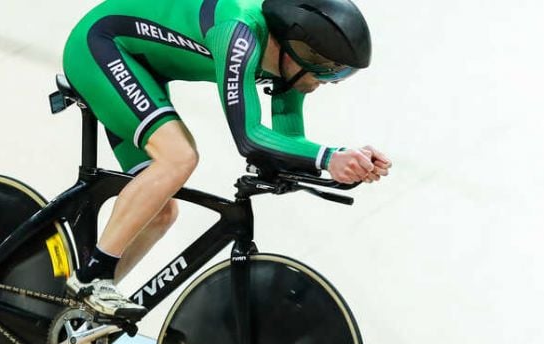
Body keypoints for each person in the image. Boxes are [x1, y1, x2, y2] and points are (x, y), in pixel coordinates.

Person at [62, 0, 392, 318]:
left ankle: (76, 307)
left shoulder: (290, 67)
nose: (327, 82)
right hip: (100, 45)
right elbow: (248, 137)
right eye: (328, 70)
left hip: (142, 65)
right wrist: (328, 157)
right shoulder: (238, 33)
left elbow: (288, 145)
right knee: (179, 157)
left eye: (340, 75)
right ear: (299, 48)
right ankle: (93, 277)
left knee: (160, 211)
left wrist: (347, 165)